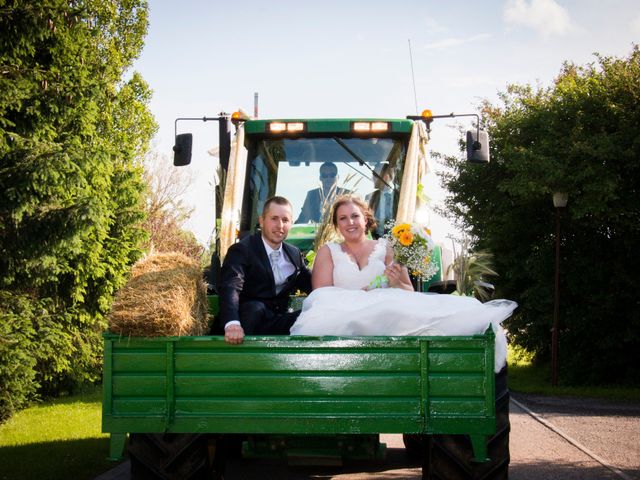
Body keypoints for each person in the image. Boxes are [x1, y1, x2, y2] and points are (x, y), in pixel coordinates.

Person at [290, 195, 517, 372]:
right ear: (337, 225)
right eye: (343, 218)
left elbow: (408, 290)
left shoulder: (387, 248)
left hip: (385, 306)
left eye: (355, 216)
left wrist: (396, 280)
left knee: (395, 309)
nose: (350, 222)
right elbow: (322, 296)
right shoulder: (328, 252)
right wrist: (362, 294)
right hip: (341, 313)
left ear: (366, 219)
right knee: (377, 311)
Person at [217, 196, 312, 344]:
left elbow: (314, 285)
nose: (280, 225)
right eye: (274, 218)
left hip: (276, 323)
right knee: (255, 308)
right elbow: (231, 286)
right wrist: (232, 323)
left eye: (285, 220)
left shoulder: (294, 254)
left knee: (310, 315)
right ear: (262, 221)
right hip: (246, 325)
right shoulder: (242, 250)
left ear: (291, 223)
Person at [365, 162, 394, 238]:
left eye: (375, 175)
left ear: (386, 176)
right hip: (375, 241)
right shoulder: (369, 197)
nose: (372, 178)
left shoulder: (400, 197)